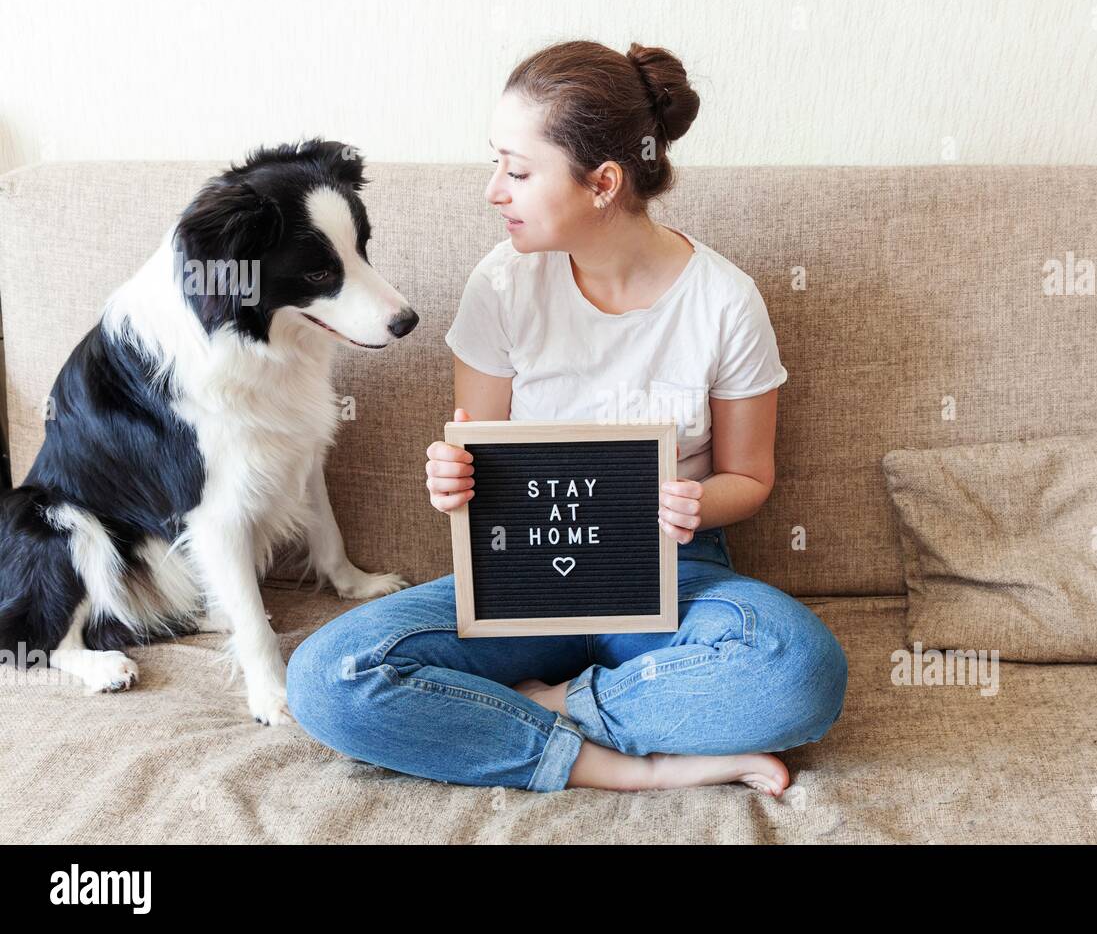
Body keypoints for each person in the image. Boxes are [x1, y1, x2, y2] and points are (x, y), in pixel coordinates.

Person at [286, 40, 848, 795]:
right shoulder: (501, 285)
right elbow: (476, 450)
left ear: (602, 183)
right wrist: (454, 477)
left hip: (669, 575)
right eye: (497, 163)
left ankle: (553, 709)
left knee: (800, 670)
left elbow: (749, 476)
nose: (494, 191)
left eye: (517, 171)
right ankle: (625, 769)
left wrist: (696, 500)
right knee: (330, 677)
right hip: (519, 577)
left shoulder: (724, 302)